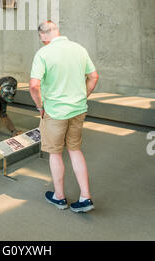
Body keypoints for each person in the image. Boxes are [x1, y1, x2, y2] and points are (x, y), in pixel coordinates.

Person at [30, 21, 99, 213]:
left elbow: (34, 85)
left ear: (43, 35)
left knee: (55, 153)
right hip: (78, 110)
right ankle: (85, 197)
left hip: (54, 112)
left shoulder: (43, 54)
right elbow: (94, 76)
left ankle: (59, 197)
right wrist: (82, 96)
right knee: (75, 150)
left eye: (41, 38)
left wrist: (40, 106)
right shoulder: (79, 49)